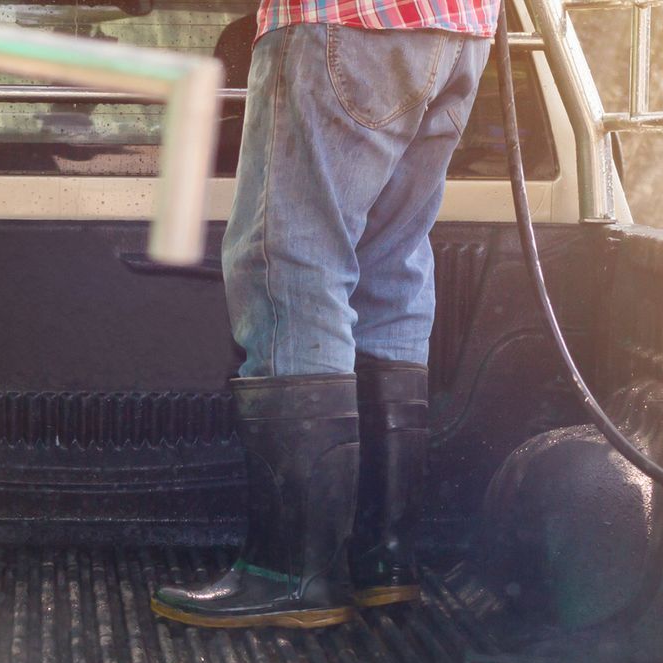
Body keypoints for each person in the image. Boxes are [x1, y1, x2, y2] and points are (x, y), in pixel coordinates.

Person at [151, 0, 497, 628]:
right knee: (390, 262)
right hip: (459, 33)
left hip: (344, 22)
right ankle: (380, 560)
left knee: (290, 258)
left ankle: (291, 574)